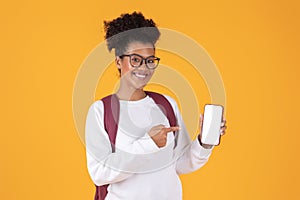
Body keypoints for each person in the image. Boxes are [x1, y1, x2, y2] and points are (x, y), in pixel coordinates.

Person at [85, 11, 227, 200]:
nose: (144, 67)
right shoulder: (101, 111)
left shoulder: (166, 104)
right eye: (135, 60)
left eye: (150, 60)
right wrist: (148, 143)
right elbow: (99, 173)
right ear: (119, 61)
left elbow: (181, 164)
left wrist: (204, 143)